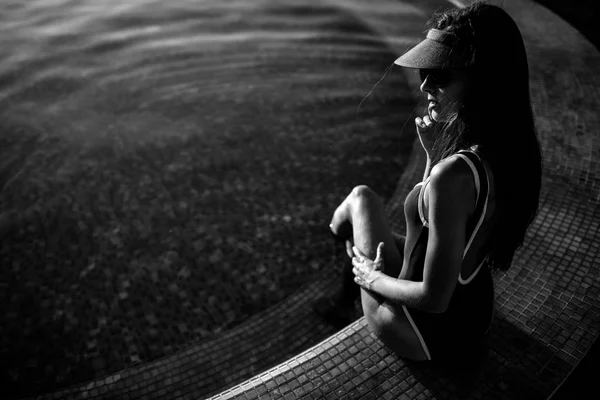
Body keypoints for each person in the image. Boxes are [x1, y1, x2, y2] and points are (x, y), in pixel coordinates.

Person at [314, 2, 542, 361]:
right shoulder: (512, 150)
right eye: (424, 71)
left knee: (359, 206)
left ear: (482, 80)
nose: (423, 85)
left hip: (428, 331)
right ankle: (342, 282)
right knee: (361, 198)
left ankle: (342, 292)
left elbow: (435, 299)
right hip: (473, 312)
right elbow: (433, 223)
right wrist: (434, 155)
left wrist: (370, 279)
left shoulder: (453, 175)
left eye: (440, 76)